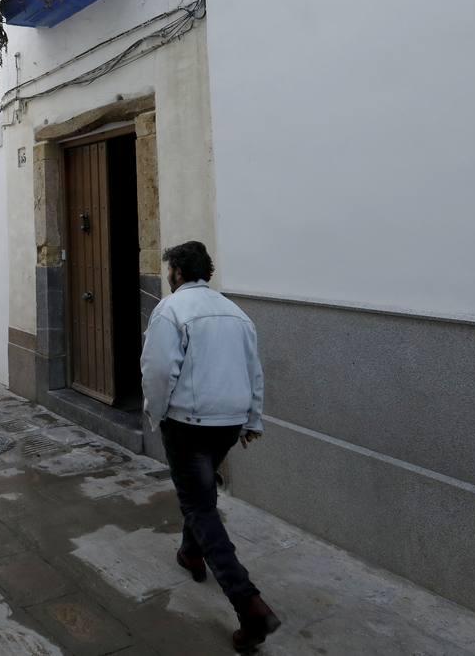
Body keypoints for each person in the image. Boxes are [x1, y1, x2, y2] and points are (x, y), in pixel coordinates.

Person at [141, 241, 280, 652]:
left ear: (177, 273)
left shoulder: (171, 310)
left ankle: (248, 602)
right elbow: (254, 371)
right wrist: (253, 420)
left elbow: (159, 370)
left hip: (187, 423)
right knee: (199, 493)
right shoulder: (237, 314)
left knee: (199, 505)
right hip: (228, 424)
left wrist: (157, 413)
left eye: (170, 271)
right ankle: (190, 553)